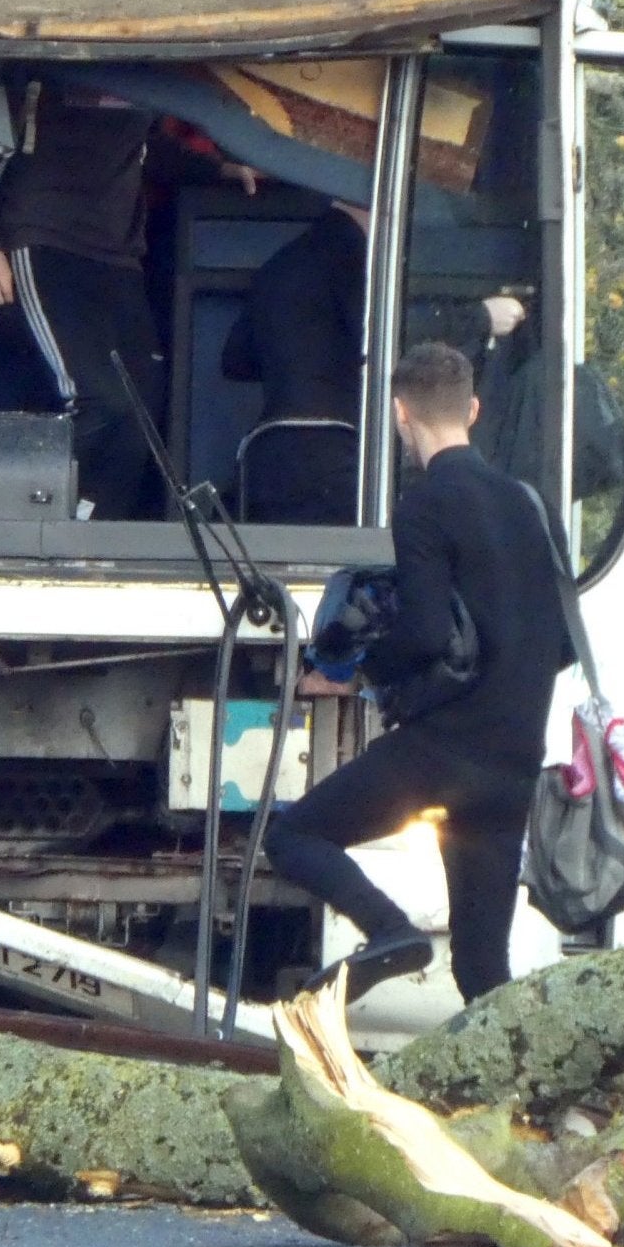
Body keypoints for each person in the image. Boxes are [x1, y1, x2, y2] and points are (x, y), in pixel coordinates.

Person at [263, 340, 570, 1004]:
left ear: (401, 414)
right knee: (482, 962)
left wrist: (351, 672)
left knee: (293, 834)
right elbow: (564, 644)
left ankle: (388, 932)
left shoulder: (425, 505)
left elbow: (426, 633)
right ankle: (519, 1099)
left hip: (444, 752)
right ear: (474, 409)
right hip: (515, 761)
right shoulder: (533, 506)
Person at [0, 78, 245, 519]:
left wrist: (223, 169)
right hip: (43, 242)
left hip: (119, 257)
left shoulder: (140, 70)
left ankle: (98, 523)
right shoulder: (28, 62)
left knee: (142, 407)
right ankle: (30, 517)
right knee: (99, 400)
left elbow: (148, 151)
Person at [222, 200, 525, 523]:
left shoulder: (279, 264)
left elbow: (235, 360)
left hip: (265, 455)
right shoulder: (354, 256)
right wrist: (481, 317)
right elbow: (386, 329)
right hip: (333, 457)